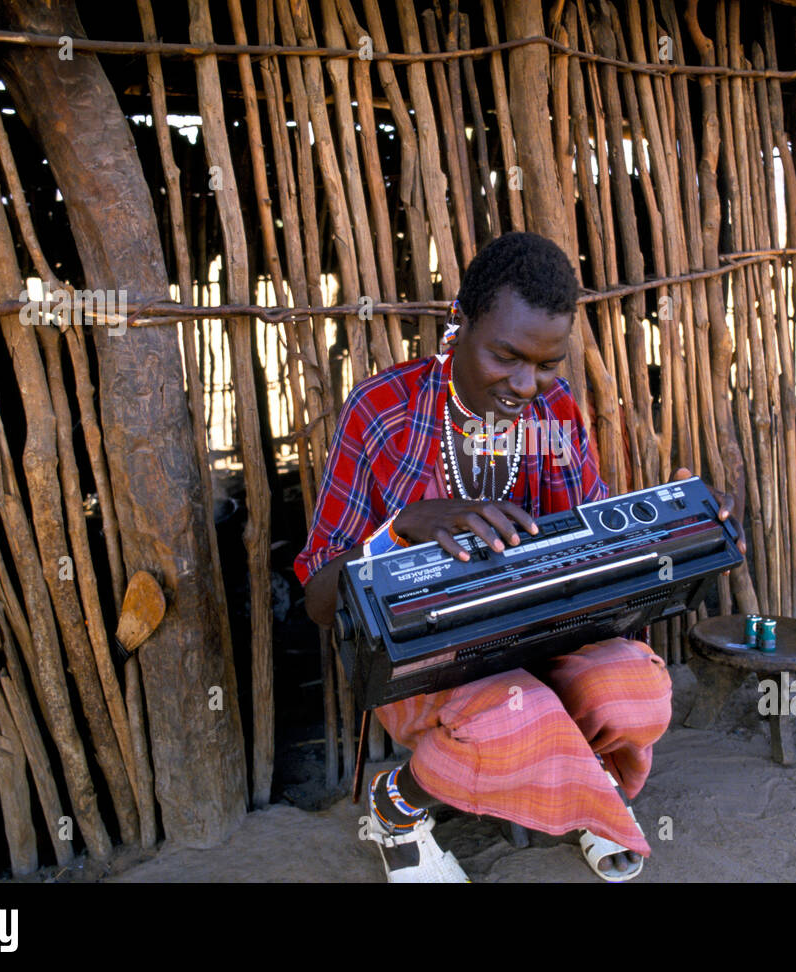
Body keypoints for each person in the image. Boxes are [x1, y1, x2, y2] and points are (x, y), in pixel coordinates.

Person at [296, 231, 741, 882]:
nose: (525, 384)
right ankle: (398, 808)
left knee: (638, 693)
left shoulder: (556, 414)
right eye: (506, 356)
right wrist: (403, 526)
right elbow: (317, 601)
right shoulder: (382, 412)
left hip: (536, 642)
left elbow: (596, 545)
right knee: (518, 718)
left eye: (547, 363)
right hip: (421, 664)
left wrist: (685, 521)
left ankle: (576, 782)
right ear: (460, 322)